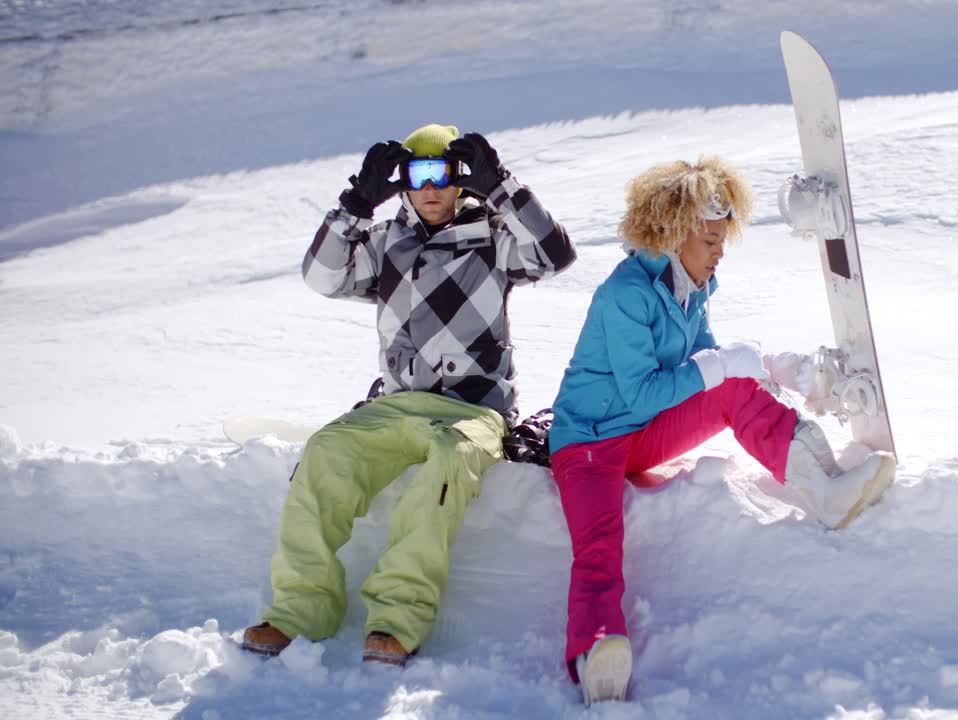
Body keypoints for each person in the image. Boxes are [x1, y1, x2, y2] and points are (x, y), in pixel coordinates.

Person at [547, 157, 895, 703]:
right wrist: (721, 366)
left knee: (733, 392)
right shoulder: (623, 295)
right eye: (710, 239)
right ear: (673, 233)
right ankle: (597, 652)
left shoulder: (695, 284)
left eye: (721, 238)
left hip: (642, 432)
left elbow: (707, 361)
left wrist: (767, 366)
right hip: (588, 441)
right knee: (599, 544)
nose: (719, 251)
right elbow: (645, 390)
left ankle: (825, 488)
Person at [240, 123, 576, 666]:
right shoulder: (384, 244)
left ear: (463, 179)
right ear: (400, 182)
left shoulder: (494, 236)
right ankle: (300, 611)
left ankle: (396, 620)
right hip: (395, 405)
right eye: (416, 174)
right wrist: (354, 205)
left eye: (444, 174)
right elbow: (321, 278)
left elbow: (556, 255)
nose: (430, 188)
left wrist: (503, 188)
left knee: (447, 460)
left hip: (471, 413)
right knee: (325, 451)